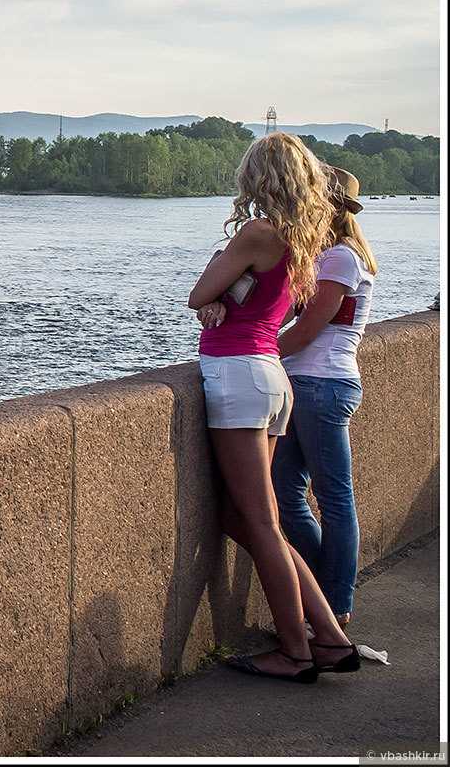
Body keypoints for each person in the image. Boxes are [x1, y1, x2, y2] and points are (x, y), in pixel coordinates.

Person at [187, 133, 358, 682]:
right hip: (270, 376)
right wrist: (220, 295)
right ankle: (329, 639)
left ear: (259, 179)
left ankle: (295, 653)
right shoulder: (304, 239)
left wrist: (215, 284)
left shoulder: (258, 233)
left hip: (238, 374)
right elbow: (234, 297)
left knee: (261, 523)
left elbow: (197, 293)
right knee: (252, 518)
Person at [270, 165, 375, 629]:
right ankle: (320, 596)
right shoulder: (317, 256)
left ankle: (335, 604)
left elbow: (309, 330)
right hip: (301, 383)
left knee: (333, 496)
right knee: (283, 493)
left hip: (323, 384)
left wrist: (255, 353)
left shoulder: (341, 258)